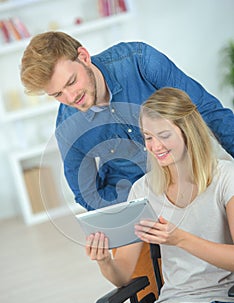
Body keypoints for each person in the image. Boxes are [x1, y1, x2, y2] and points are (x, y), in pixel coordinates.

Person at [20, 31, 234, 212]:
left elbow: (208, 111)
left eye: (72, 82)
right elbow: (86, 194)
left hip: (190, 177)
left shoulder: (140, 61)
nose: (70, 98)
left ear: (84, 56)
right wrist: (125, 215)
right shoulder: (69, 128)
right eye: (57, 94)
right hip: (135, 201)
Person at [91, 87, 234, 303]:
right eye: (148, 137)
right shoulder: (142, 190)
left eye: (164, 135)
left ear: (188, 132)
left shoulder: (226, 177)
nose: (155, 146)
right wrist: (104, 262)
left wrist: (180, 239)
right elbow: (123, 275)